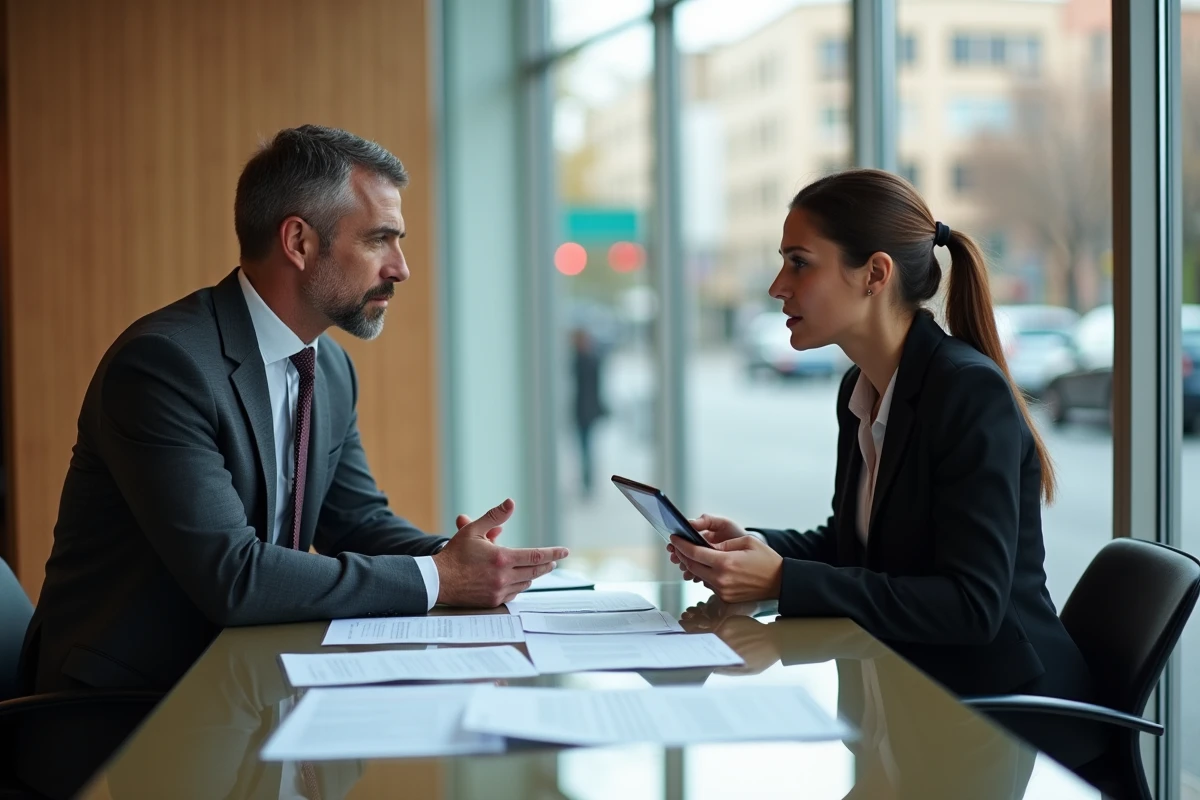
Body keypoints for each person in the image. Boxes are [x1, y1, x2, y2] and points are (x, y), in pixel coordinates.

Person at [20, 125, 569, 700]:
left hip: (244, 683)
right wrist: (439, 578)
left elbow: (356, 523)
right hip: (127, 709)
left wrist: (468, 561)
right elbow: (233, 576)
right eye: (380, 239)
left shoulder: (327, 367)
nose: (401, 267)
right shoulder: (164, 366)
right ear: (299, 242)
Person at [667, 169, 1095, 709]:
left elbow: (971, 607)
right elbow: (860, 549)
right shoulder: (863, 386)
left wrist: (782, 579)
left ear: (874, 273)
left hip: (999, 713)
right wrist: (752, 548)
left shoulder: (966, 391)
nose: (778, 285)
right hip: (904, 693)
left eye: (799, 262)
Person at [569, 326, 606, 498]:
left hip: (586, 412)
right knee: (585, 448)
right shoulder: (590, 359)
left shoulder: (585, 361)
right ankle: (587, 481)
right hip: (585, 412)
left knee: (586, 448)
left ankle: (588, 481)